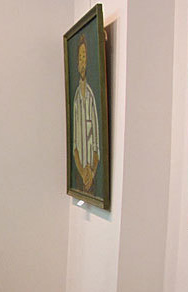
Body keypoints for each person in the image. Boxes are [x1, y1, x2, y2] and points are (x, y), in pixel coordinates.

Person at [73, 34, 100, 193]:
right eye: (80, 58)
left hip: (90, 172)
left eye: (84, 57)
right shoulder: (77, 98)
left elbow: (96, 143)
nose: (82, 62)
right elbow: (75, 145)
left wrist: (92, 171)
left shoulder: (91, 97)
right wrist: (83, 172)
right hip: (81, 173)